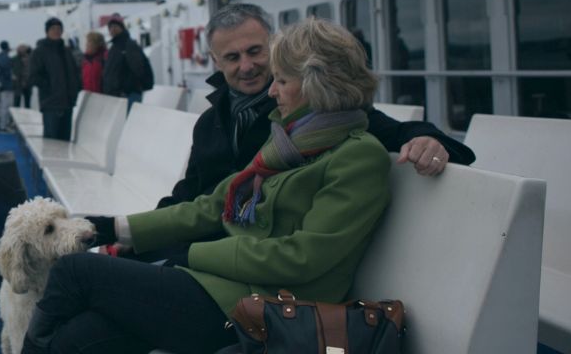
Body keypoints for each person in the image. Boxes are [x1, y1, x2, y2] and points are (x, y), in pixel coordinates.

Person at [21, 18, 392, 354]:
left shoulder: (357, 158)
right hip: (217, 287)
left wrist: (194, 254)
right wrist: (115, 227)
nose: (273, 91)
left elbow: (302, 257)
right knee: (81, 337)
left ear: (316, 83)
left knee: (76, 271)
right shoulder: (289, 142)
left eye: (281, 80)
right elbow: (212, 204)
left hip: (264, 311)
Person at [156, 3, 475, 209]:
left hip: (246, 261)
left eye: (255, 51)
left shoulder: (318, 112)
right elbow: (188, 192)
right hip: (199, 240)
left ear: (274, 46)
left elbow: (388, 128)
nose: (247, 65)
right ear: (216, 61)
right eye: (232, 57)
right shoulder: (210, 122)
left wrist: (427, 140)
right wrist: (135, 235)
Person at [30, 18, 82, 141]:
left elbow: (74, 73)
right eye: (53, 28)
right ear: (47, 31)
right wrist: (50, 88)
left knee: (65, 142)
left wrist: (76, 89)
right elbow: (33, 76)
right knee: (51, 143)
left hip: (68, 104)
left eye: (59, 29)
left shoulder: (66, 51)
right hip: (51, 105)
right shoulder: (39, 52)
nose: (56, 31)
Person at [101, 13, 152, 109]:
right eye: (110, 27)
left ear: (122, 28)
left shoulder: (128, 45)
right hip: (118, 95)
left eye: (115, 26)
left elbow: (138, 69)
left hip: (128, 94)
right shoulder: (114, 47)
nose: (112, 29)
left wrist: (126, 86)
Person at [0, 40, 16, 131]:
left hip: (5, 84)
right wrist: (11, 76)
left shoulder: (2, 57)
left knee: (6, 106)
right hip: (7, 85)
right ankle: (3, 126)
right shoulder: (4, 57)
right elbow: (6, 69)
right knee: (5, 106)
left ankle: (4, 125)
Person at [12, 44, 33, 108]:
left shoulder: (31, 58)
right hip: (19, 82)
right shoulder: (15, 59)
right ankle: (15, 116)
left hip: (27, 83)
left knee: (27, 102)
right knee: (17, 102)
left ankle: (27, 115)